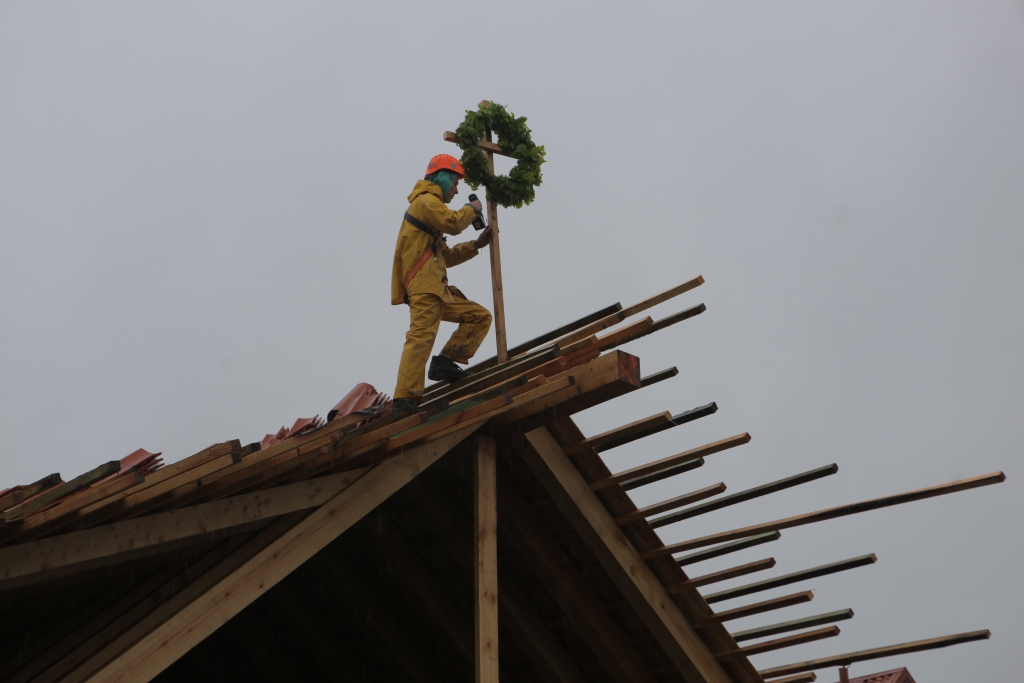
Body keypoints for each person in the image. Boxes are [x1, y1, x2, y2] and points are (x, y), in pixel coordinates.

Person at [391, 154, 494, 412]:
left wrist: (476, 245)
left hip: (437, 289)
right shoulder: (426, 201)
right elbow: (453, 223)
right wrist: (472, 209)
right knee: (421, 337)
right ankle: (404, 399)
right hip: (424, 287)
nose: (456, 189)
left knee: (479, 316)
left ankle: (446, 361)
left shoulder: (431, 209)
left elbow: (445, 256)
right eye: (455, 182)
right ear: (444, 177)